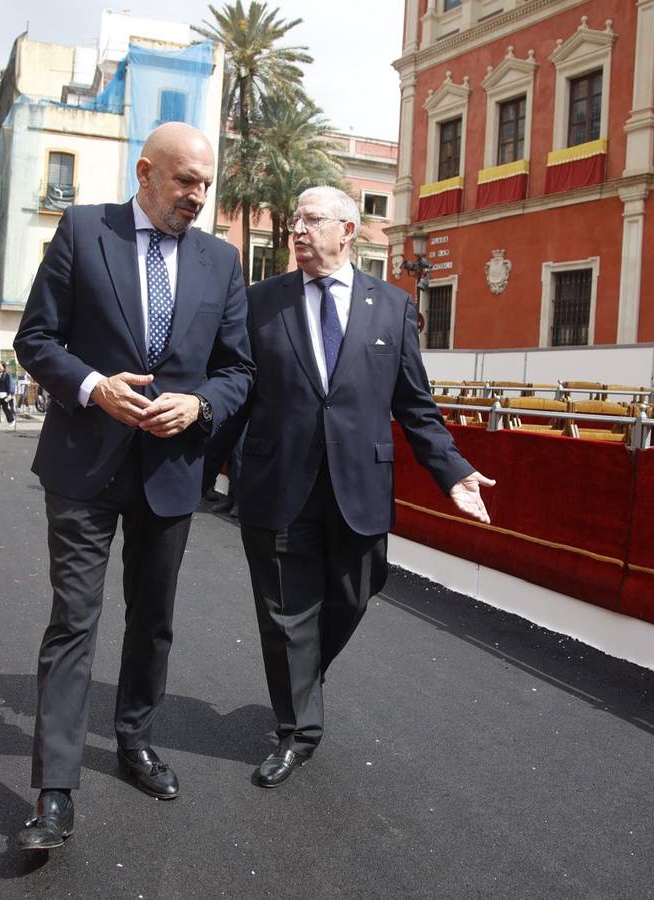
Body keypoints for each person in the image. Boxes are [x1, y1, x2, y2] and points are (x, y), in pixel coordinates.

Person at [11, 121, 252, 851]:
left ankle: (134, 740)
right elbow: (35, 339)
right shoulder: (83, 233)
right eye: (185, 181)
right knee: (74, 621)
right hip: (85, 462)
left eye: (206, 184)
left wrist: (201, 404)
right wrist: (91, 386)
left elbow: (238, 369)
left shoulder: (222, 261)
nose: (198, 197)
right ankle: (55, 791)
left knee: (153, 619)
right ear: (146, 172)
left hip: (171, 471)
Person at [229, 185, 493, 789]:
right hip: (279, 484)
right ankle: (298, 730)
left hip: (359, 486)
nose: (297, 228)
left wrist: (453, 471)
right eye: (294, 218)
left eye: (313, 219)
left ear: (348, 231)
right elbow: (237, 392)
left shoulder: (392, 307)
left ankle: (302, 677)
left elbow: (415, 405)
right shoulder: (258, 302)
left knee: (355, 593)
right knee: (286, 613)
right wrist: (192, 467)